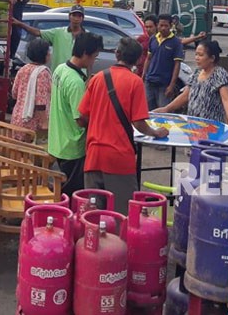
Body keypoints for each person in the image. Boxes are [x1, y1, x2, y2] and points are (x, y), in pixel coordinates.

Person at [80, 37, 169, 214]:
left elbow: (83, 116)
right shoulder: (135, 82)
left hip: (94, 155)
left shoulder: (97, 78)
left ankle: (92, 241)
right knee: (122, 214)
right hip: (119, 157)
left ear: (116, 53)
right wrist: (156, 132)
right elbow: (138, 122)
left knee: (92, 214)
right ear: (138, 60)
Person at [49, 32, 103, 196]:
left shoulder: (60, 68)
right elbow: (80, 119)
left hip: (58, 140)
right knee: (72, 194)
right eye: (94, 57)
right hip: (73, 146)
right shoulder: (75, 82)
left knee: (63, 189)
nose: (94, 61)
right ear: (85, 54)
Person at [154, 39, 228, 128]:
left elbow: (226, 99)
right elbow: (186, 95)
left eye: (200, 55)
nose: (197, 58)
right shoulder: (197, 72)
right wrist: (167, 109)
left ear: (212, 58)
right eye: (196, 54)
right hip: (193, 125)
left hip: (211, 127)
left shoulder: (220, 74)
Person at [15, 4, 86, 72]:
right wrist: (19, 24)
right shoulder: (58, 33)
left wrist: (88, 79)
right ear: (69, 16)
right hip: (59, 75)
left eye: (79, 16)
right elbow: (37, 32)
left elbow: (90, 60)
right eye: (74, 15)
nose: (76, 19)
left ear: (82, 18)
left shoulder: (87, 36)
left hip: (79, 75)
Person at [10, 38, 52, 141]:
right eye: (48, 52)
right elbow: (40, 103)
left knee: (17, 152)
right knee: (31, 154)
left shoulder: (23, 69)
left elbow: (14, 93)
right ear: (45, 55)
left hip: (17, 118)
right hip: (33, 121)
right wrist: (45, 123)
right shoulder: (43, 73)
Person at [142, 14, 184, 111]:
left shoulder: (176, 42)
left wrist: (172, 85)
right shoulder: (153, 39)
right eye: (161, 25)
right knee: (148, 111)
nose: (163, 28)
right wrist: (144, 75)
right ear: (157, 25)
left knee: (163, 112)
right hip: (150, 82)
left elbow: (177, 65)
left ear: (171, 26)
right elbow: (148, 58)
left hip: (164, 84)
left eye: (166, 26)